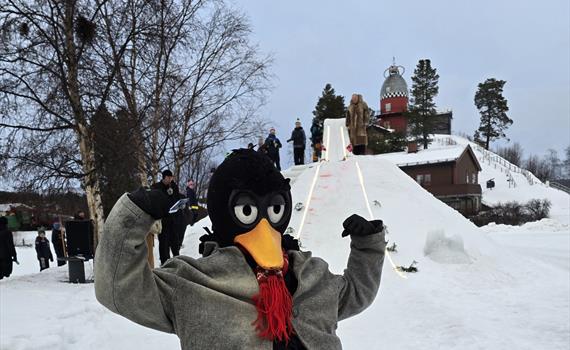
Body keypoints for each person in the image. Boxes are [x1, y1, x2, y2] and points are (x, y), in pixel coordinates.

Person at [95, 149, 386, 349]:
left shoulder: (311, 275)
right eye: (247, 209)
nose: (262, 224)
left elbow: (354, 294)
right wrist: (132, 216)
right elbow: (119, 290)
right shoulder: (192, 284)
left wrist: (367, 247)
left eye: (272, 209)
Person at [152, 169, 183, 265]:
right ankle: (165, 261)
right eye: (168, 178)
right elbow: (155, 202)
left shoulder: (174, 186)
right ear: (164, 178)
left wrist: (180, 205)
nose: (170, 180)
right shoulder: (157, 187)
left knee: (175, 240)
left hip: (173, 218)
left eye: (171, 178)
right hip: (163, 219)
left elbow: (177, 198)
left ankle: (176, 257)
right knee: (164, 242)